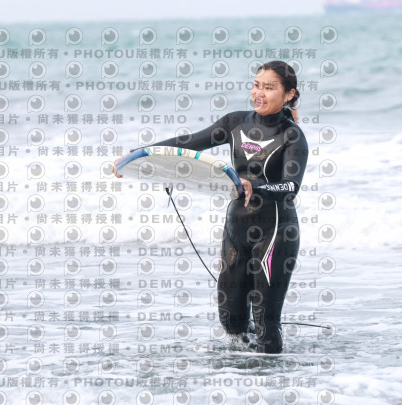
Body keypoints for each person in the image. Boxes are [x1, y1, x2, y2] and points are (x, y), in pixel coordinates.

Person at [115, 60, 309, 353]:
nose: (259, 93)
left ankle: (272, 376)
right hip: (236, 228)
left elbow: (290, 186)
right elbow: (188, 143)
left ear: (289, 94)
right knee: (231, 322)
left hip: (275, 232)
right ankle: (237, 376)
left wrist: (254, 187)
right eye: (256, 85)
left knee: (266, 325)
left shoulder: (292, 135)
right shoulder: (235, 122)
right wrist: (138, 155)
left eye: (269, 88)